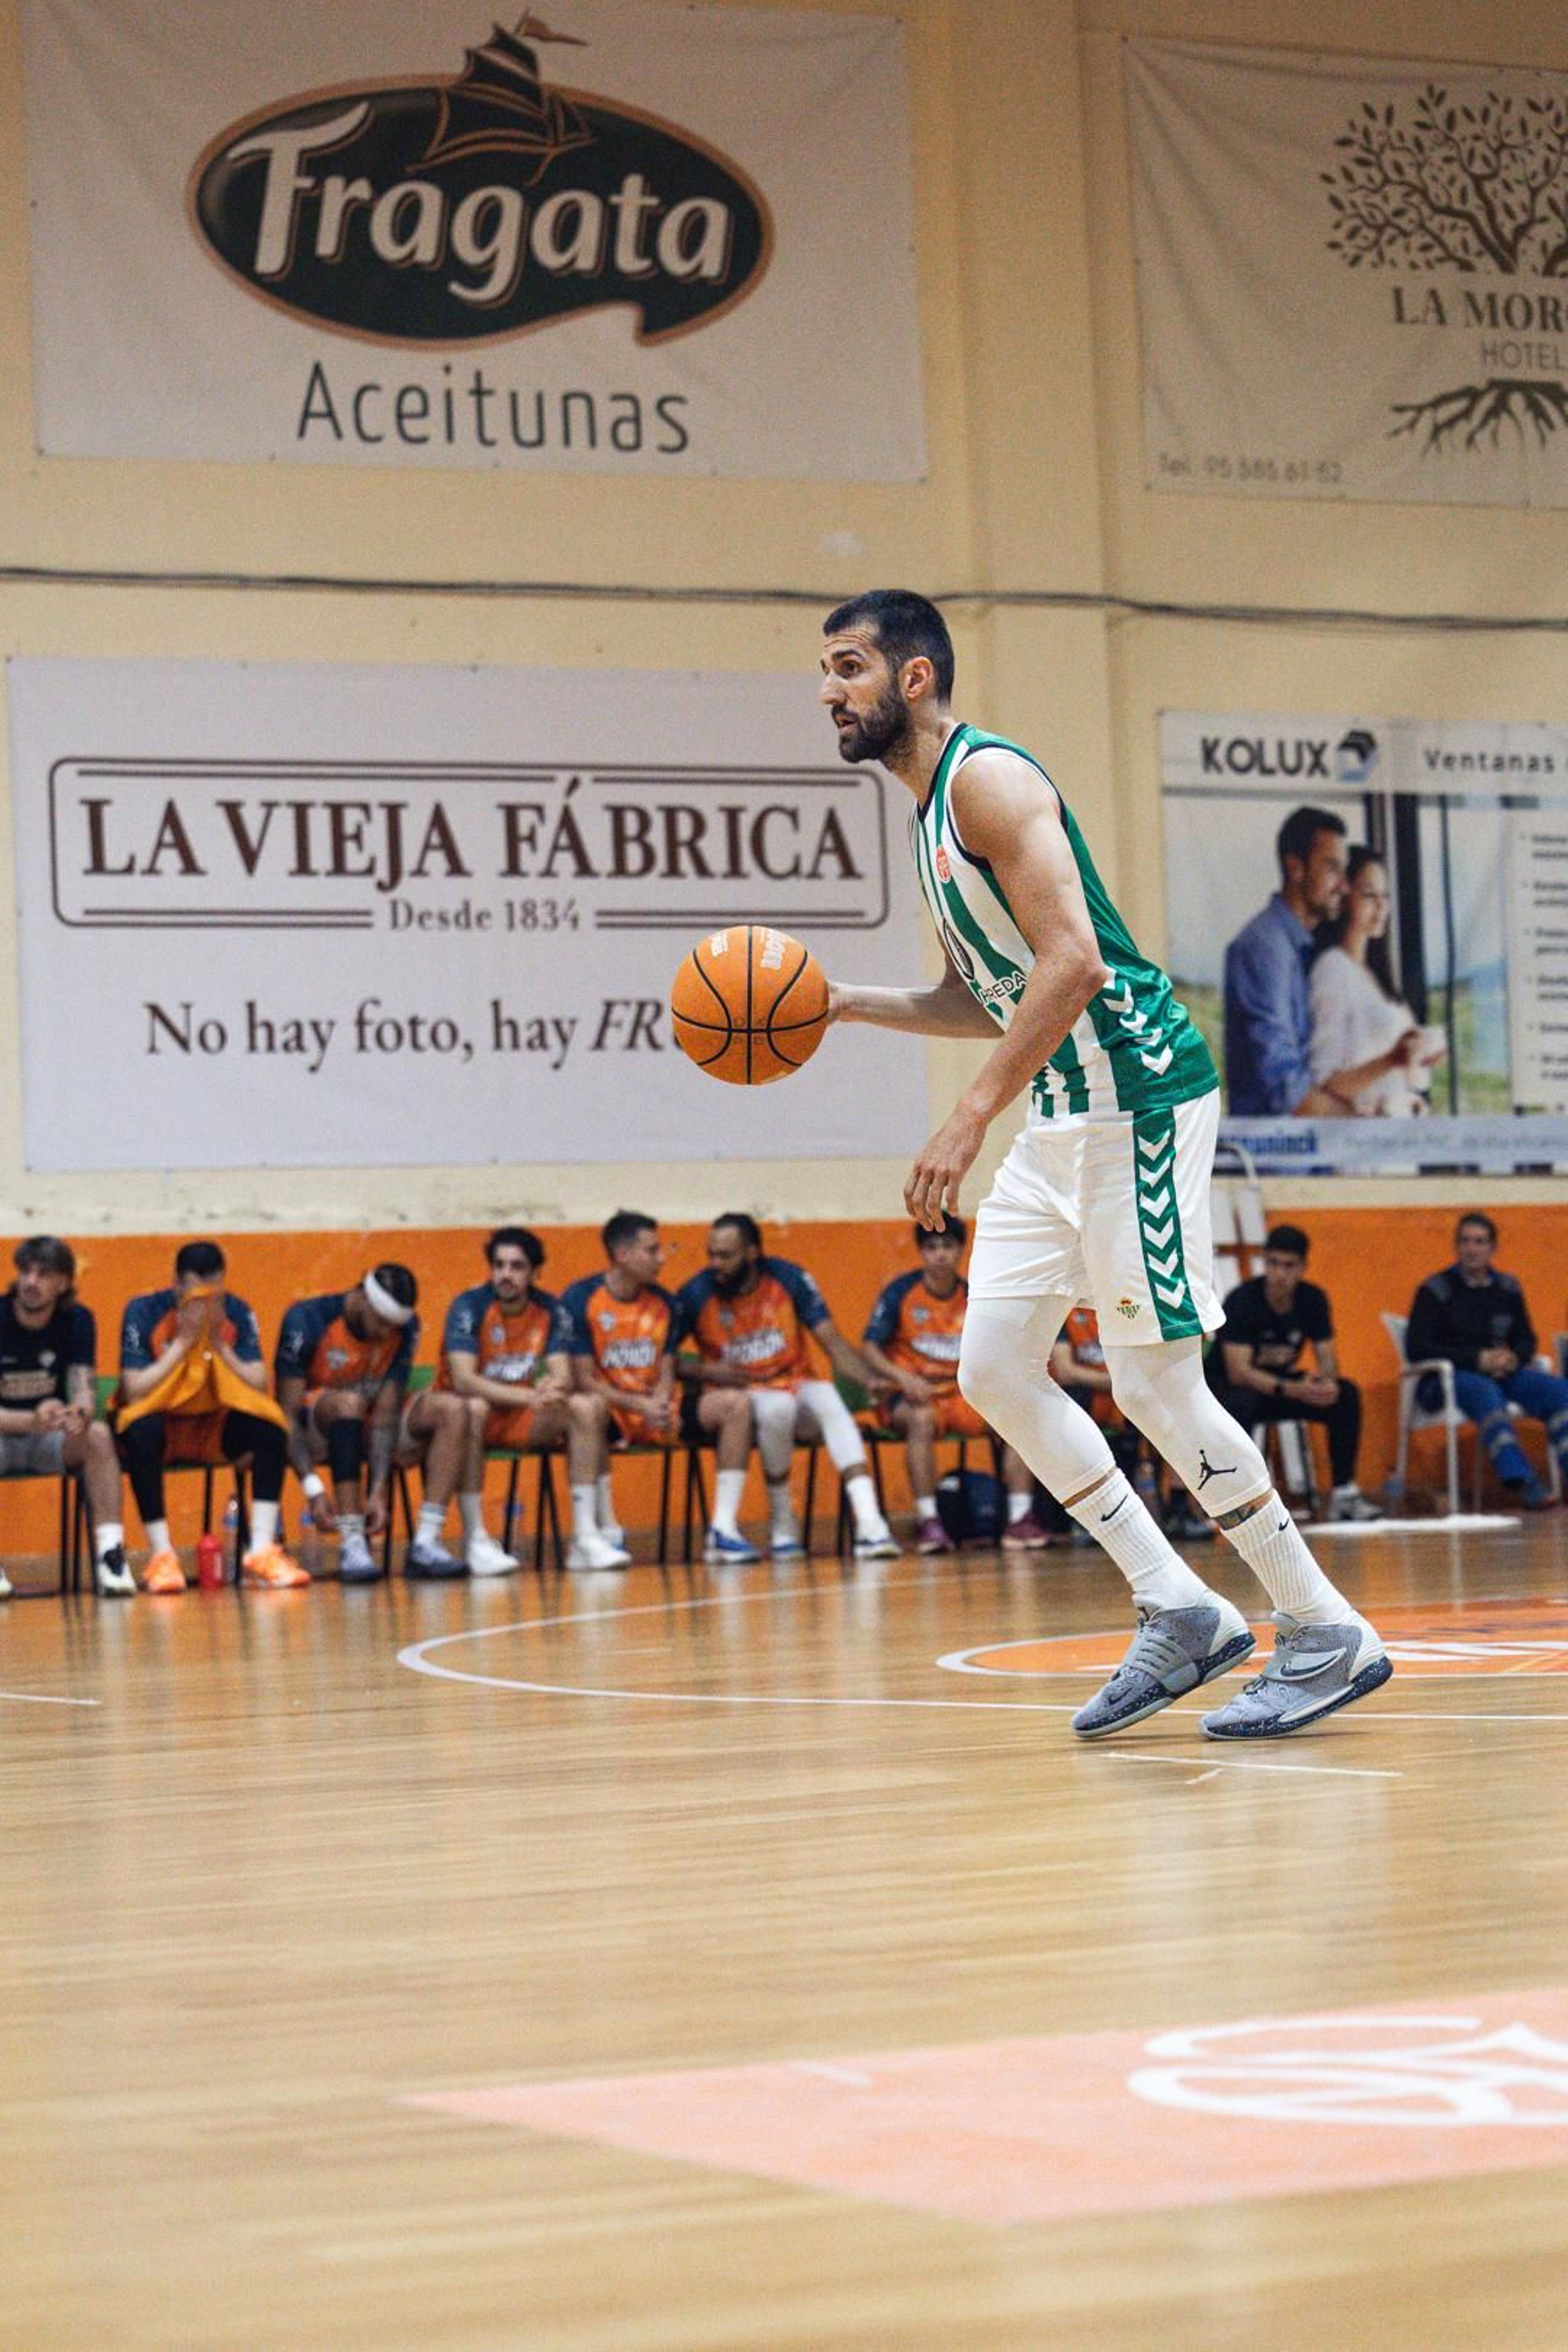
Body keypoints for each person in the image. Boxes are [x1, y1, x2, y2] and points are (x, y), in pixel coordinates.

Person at [818, 588, 1391, 1738]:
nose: (829, 691)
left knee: (1152, 1382)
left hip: (1136, 1096)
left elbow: (1072, 963)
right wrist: (838, 1003)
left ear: (913, 679)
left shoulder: (989, 782)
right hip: (1065, 1111)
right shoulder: (930, 817)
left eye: (847, 667)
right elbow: (988, 996)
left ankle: (1325, 1629)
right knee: (993, 1369)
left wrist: (968, 1117)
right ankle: (1179, 1608)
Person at [674, 1215, 898, 1560]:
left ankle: (870, 1524)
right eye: (712, 1254)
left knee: (828, 1399)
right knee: (777, 1406)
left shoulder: (787, 1279)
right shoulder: (696, 1293)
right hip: (744, 1398)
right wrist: (707, 1369)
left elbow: (833, 1343)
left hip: (796, 1382)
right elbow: (665, 1360)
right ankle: (782, 1520)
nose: (715, 1264)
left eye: (726, 1255)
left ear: (752, 1253)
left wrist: (870, 1381)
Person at [561, 1210, 760, 1565]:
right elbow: (583, 1379)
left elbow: (666, 1365)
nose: (661, 1257)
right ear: (622, 1255)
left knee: (736, 1404)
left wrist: (662, 1403)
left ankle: (723, 1530)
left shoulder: (665, 1303)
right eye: (651, 1250)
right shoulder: (580, 1299)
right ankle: (605, 1531)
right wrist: (640, 1408)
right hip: (612, 1408)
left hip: (653, 1408)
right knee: (589, 1408)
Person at [117, 1240, 308, 1592]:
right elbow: (134, 1389)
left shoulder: (235, 1312)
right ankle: (162, 1557)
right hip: (165, 1423)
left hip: (213, 1427)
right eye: (195, 1291)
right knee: (140, 1431)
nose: (204, 1300)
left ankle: (262, 1549)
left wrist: (220, 1345)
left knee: (270, 1427)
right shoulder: (143, 1311)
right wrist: (182, 1343)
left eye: (213, 1290)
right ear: (177, 1284)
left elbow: (257, 1381)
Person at [439, 1225, 624, 1574]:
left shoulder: (552, 1310)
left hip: (519, 1416)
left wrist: (553, 1389)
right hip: (465, 1420)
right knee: (474, 1408)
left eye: (516, 1266)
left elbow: (562, 1374)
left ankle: (585, 1537)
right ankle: (476, 1539)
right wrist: (531, 1395)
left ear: (536, 1272)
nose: (505, 1275)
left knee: (587, 1406)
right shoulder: (469, 1307)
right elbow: (464, 1380)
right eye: (499, 1265)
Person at [861, 1215, 1051, 1552]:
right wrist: (901, 1378)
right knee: (920, 1420)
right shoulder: (900, 1293)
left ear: (961, 1251)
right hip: (914, 1397)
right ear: (921, 1252)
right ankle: (929, 1521)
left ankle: (1020, 1519)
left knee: (1016, 1416)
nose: (940, 1255)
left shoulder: (974, 1296)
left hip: (962, 1395)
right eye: (932, 1247)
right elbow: (870, 1347)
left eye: (948, 1246)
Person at [1208, 1224, 1383, 1522]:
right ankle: (1238, 1497)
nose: (1280, 1274)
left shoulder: (1312, 1299)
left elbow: (1327, 1356)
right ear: (1265, 1262)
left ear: (1302, 1267)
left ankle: (1344, 1492)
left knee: (1345, 1394)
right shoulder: (1243, 1300)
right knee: (1242, 1402)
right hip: (1230, 1388)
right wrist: (1294, 1389)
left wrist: (1325, 1383)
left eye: (1288, 1266)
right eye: (1273, 1263)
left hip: (1279, 1385)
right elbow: (1238, 1372)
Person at [1406, 1212, 1568, 1509]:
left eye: (1480, 1242)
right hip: (1446, 1379)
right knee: (1483, 1390)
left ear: (1492, 1248)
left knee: (1559, 1390)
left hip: (1501, 1373)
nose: (1472, 1249)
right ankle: (1521, 1480)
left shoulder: (1508, 1288)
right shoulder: (1434, 1290)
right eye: (1465, 1241)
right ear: (1456, 1247)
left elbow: (1526, 1338)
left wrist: (1513, 1357)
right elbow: (1416, 1348)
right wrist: (1476, 1358)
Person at [0, 1236, 131, 1598]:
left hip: (49, 1436)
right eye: (25, 1272)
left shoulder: (77, 1319)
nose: (30, 1281)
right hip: (6, 1433)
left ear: (63, 1283)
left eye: (43, 1274)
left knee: (100, 1436)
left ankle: (111, 1557)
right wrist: (30, 1420)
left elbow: (82, 1383)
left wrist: (80, 1413)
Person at [274, 1265, 418, 1583]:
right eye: (381, 1322)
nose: (385, 1333)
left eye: (392, 1326)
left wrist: (379, 1490)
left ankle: (425, 1546)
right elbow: (286, 1413)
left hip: (361, 1429)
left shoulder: (402, 1329)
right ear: (363, 1298)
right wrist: (312, 1489)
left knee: (439, 1410)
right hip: (313, 1428)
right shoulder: (307, 1320)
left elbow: (385, 1416)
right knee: (348, 1404)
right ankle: (353, 1542)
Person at [1224, 806, 1361, 1117]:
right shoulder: (1264, 948)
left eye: (1344, 870)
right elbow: (1286, 1090)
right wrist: (1364, 1123)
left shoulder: (1297, 947)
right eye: (1331, 868)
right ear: (1295, 868)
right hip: (1273, 1160)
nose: (1344, 886)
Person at [1048, 1307, 1209, 1543]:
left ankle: (1179, 1509)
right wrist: (1118, 1383)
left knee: (1176, 1404)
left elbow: (1153, 1358)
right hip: (1092, 1397)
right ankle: (1089, 1516)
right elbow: (1065, 1371)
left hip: (1131, 1393)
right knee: (1074, 1403)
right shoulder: (1063, 1308)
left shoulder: (1125, 1302)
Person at [1309, 846, 1441, 1115]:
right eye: (1369, 894)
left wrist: (1420, 1058)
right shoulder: (1332, 969)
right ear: (1344, 898)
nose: (1381, 906)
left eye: (1385, 896)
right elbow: (1325, 1082)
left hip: (1395, 1140)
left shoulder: (1375, 976)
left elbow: (1403, 1076)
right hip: (1360, 1147)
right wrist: (1392, 1060)